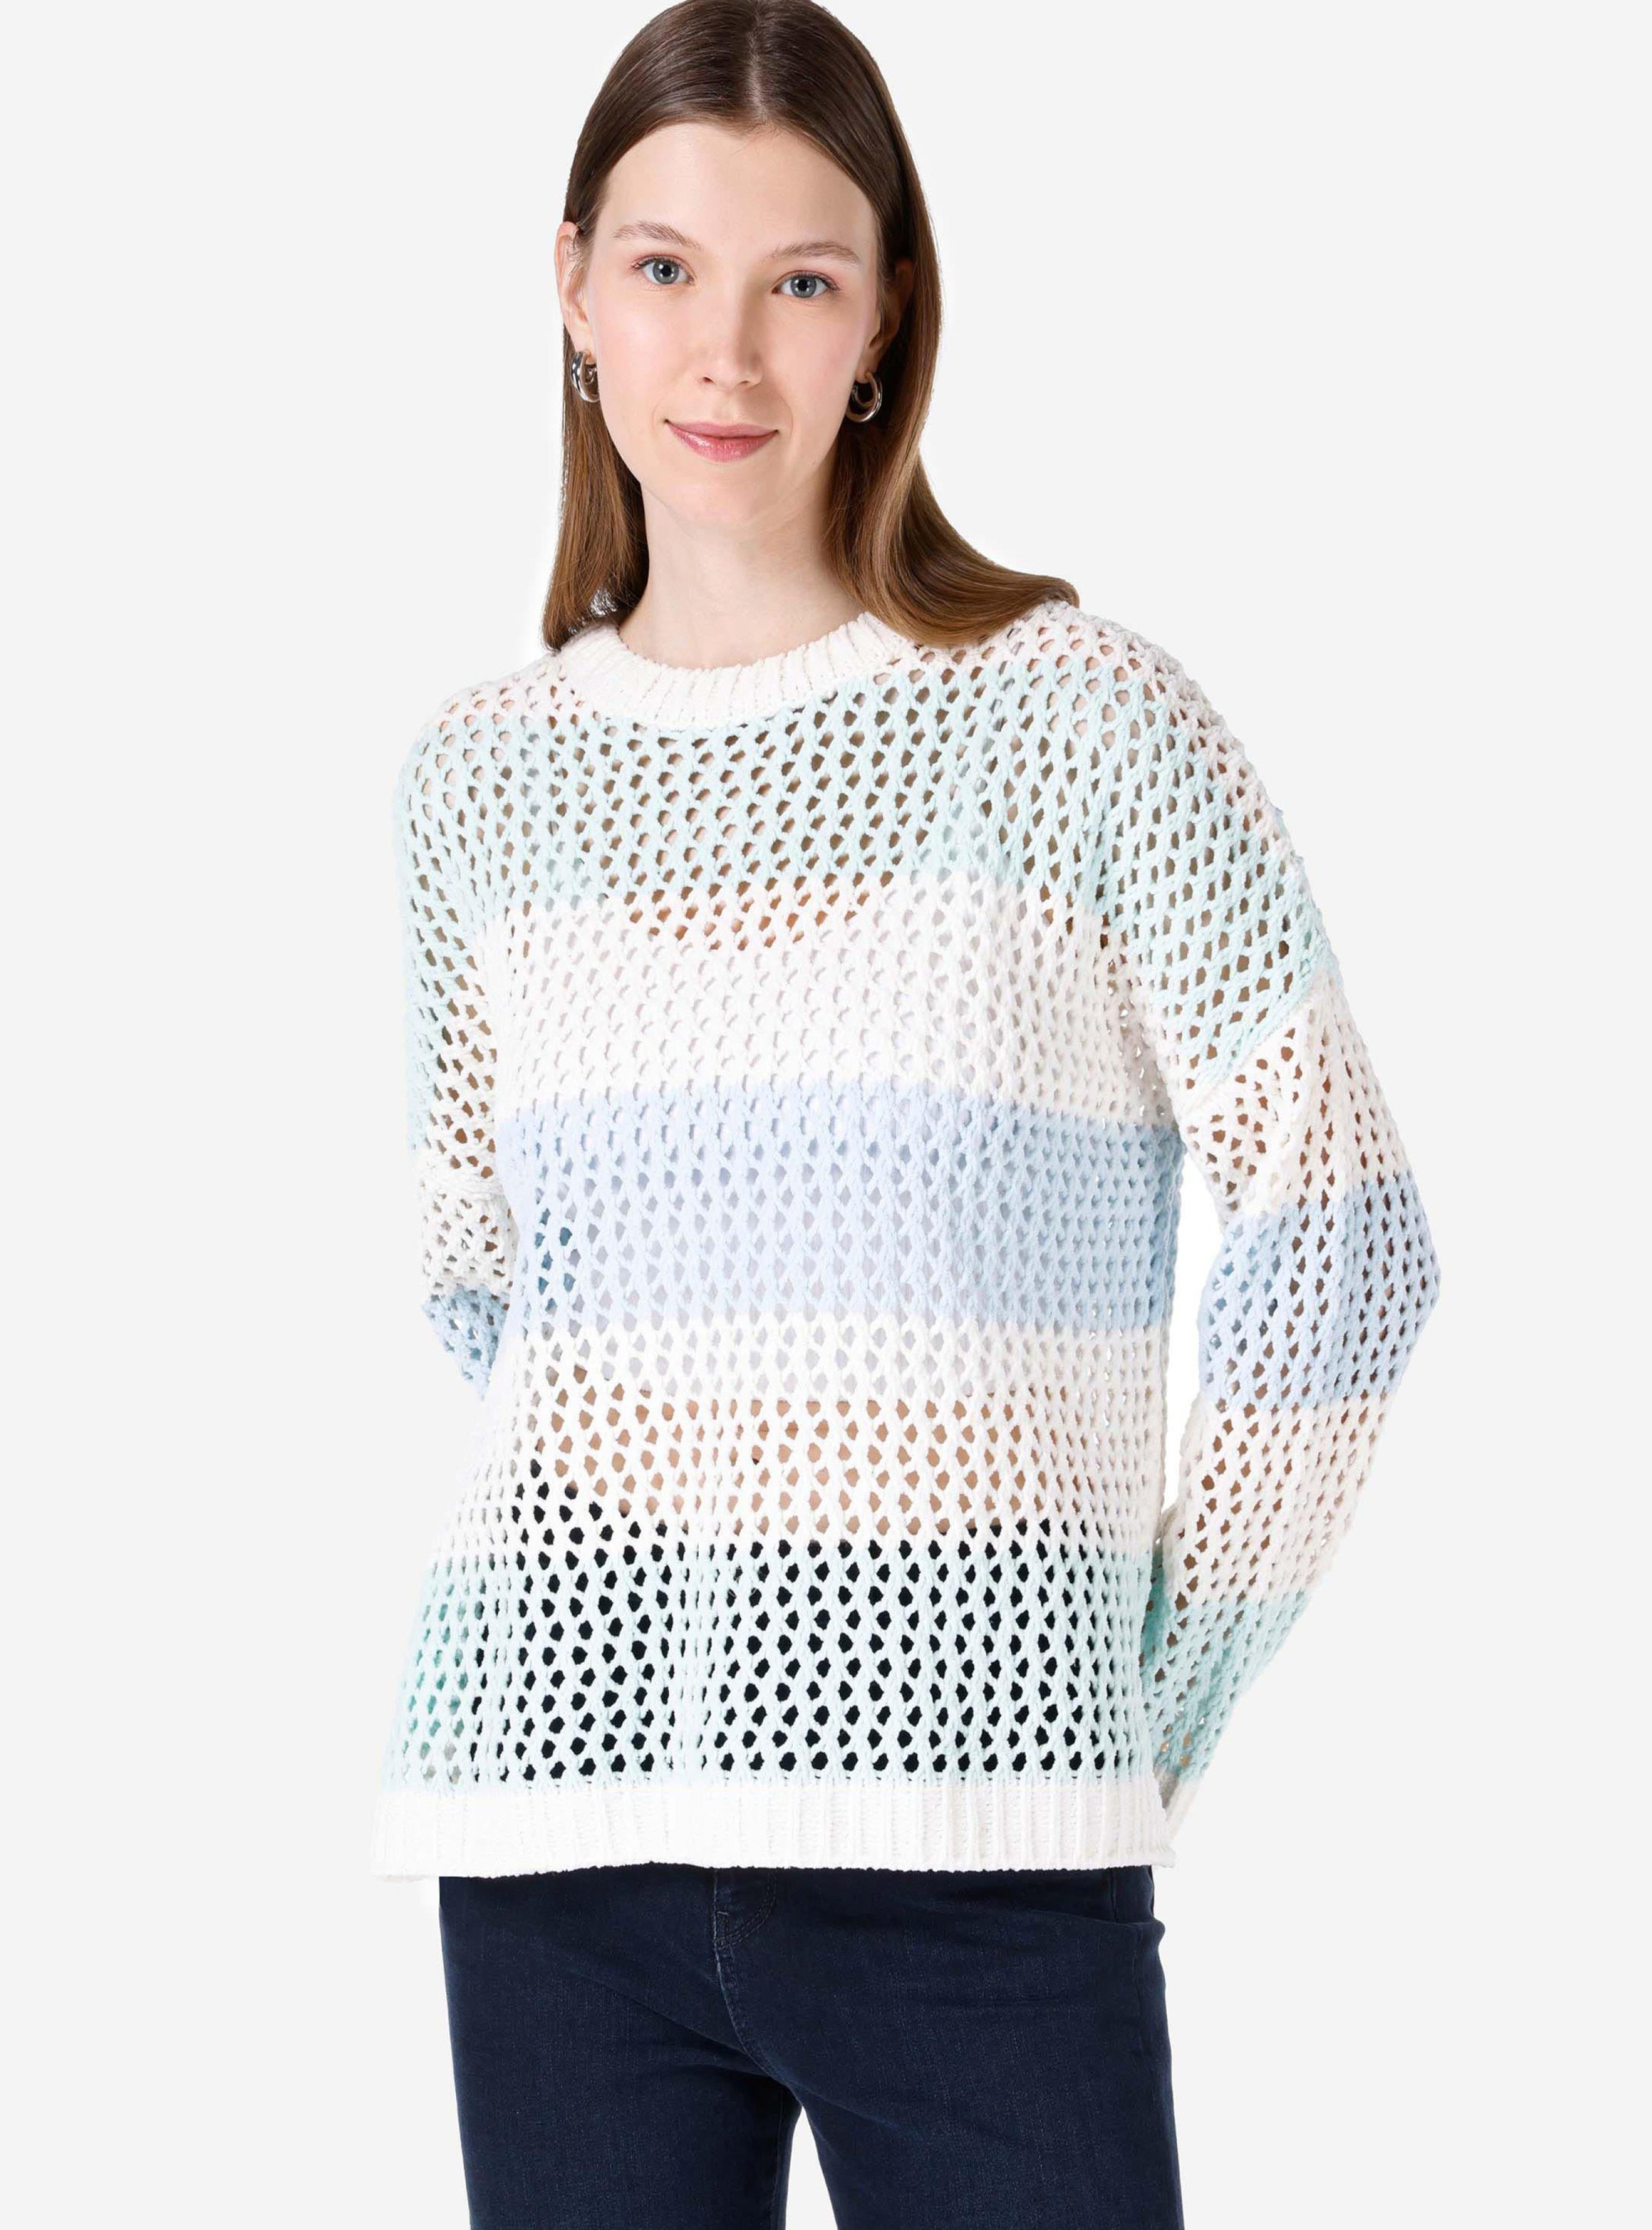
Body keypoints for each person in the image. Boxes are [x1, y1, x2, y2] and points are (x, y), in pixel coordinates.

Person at [371, 3, 1441, 2223]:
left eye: (800, 277)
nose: (724, 352)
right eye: (664, 267)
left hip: (984, 1861)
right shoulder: (476, 778)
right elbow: (480, 1280)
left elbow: (1343, 1239)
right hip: (555, 1841)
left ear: (884, 318)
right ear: (570, 288)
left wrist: (1137, 1694)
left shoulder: (1083, 725)